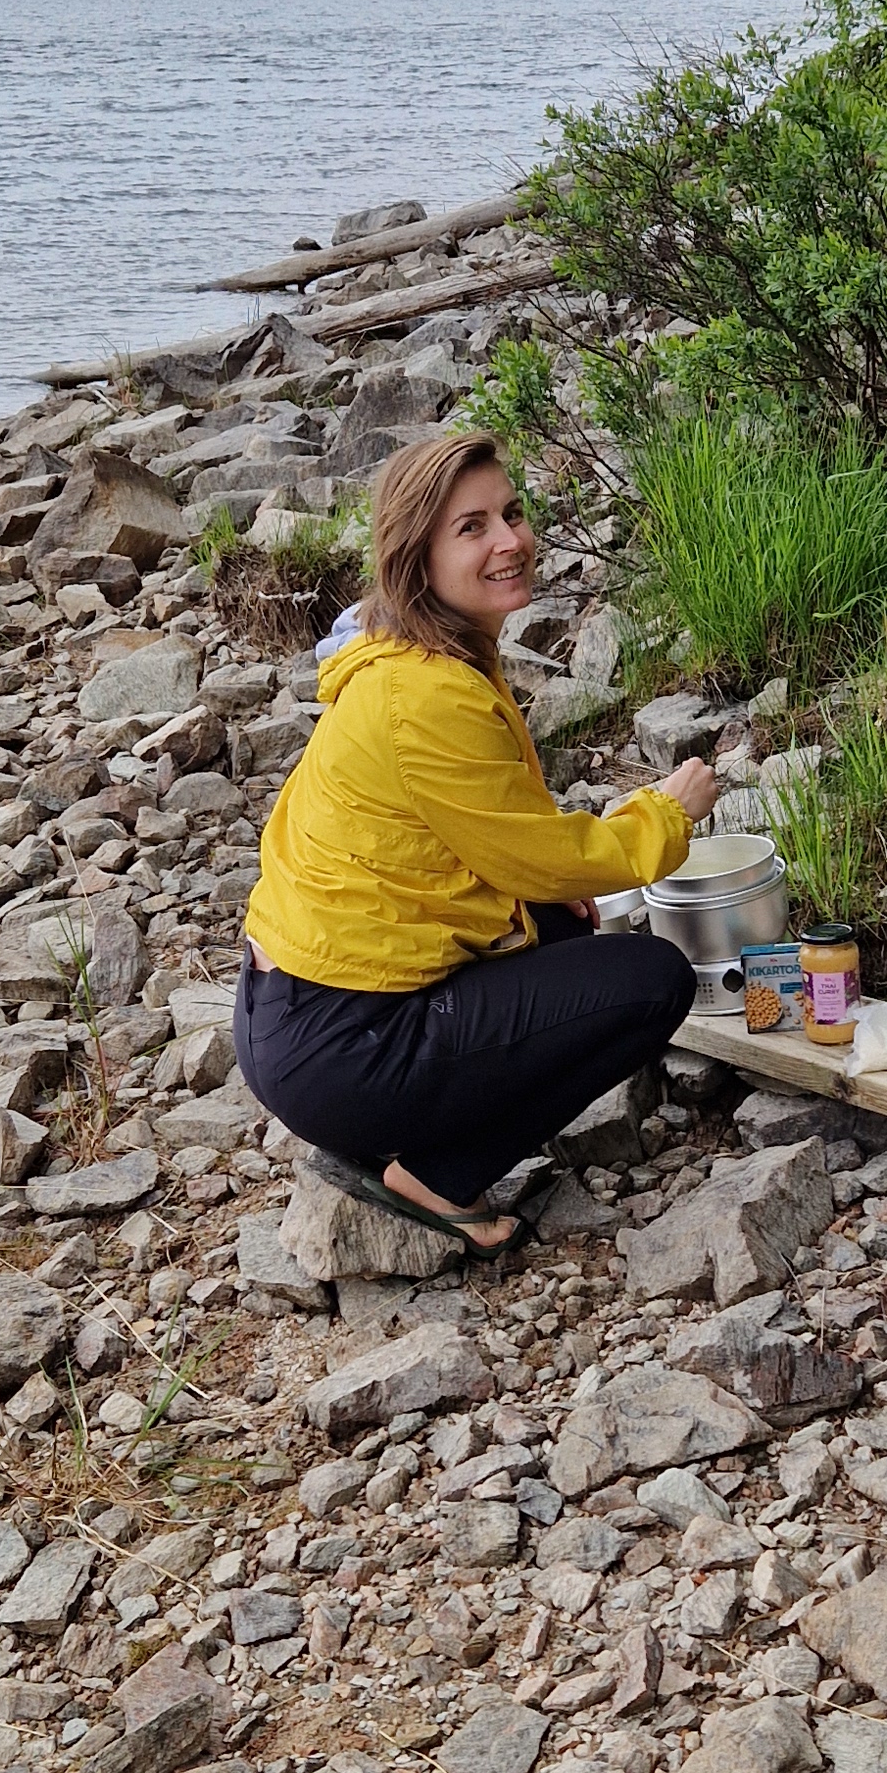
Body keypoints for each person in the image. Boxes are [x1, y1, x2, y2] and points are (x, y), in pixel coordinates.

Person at [232, 430, 717, 1258]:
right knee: (652, 983)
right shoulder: (423, 695)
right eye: (472, 527)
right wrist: (665, 815)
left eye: (513, 514)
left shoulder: (412, 650)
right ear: (416, 557)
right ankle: (442, 1172)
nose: (510, 541)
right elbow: (542, 853)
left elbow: (477, 840)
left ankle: (410, 1120)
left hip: (298, 1012)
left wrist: (540, 895)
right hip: (342, 1045)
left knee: (561, 924)